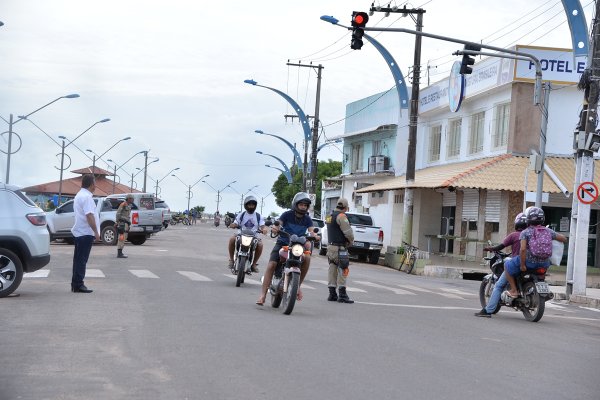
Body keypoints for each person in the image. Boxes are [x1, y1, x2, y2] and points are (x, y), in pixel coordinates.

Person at [475, 207, 567, 317]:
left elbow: (522, 250)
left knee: (506, 268)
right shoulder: (548, 231)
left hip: (529, 262)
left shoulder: (525, 232)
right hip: (544, 263)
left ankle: (511, 292)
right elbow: (563, 239)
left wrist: (523, 264)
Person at [256, 192, 320, 306]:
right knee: (271, 265)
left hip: (298, 246)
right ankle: (263, 295)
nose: (303, 207)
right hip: (283, 243)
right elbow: (279, 223)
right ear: (295, 204)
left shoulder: (307, 219)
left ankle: (297, 286)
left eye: (305, 205)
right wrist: (276, 227)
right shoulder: (286, 215)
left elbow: (311, 230)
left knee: (308, 258)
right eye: (301, 205)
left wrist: (315, 236)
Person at [70, 174, 100, 293]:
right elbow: (89, 215)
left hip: (80, 232)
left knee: (78, 260)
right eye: (95, 183)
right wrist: (96, 232)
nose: (96, 186)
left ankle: (75, 284)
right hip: (85, 232)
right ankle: (78, 284)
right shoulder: (87, 197)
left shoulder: (79, 195)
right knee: (82, 260)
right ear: (91, 184)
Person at [325, 198, 355, 304]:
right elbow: (348, 233)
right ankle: (342, 295)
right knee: (343, 269)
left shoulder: (329, 216)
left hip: (330, 248)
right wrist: (351, 241)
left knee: (332, 269)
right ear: (346, 207)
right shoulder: (341, 216)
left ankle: (332, 294)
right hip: (340, 248)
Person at [227, 195, 266, 273]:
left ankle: (254, 264)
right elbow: (236, 222)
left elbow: (262, 225)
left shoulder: (258, 216)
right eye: (249, 204)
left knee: (260, 245)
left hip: (254, 236)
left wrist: (264, 229)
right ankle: (231, 260)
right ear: (245, 205)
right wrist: (233, 225)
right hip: (241, 234)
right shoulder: (241, 214)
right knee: (232, 239)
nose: (251, 206)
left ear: (255, 206)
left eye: (253, 204)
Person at [115, 194, 133, 259]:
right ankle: (119, 253)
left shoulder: (129, 206)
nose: (132, 200)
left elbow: (127, 215)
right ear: (128, 199)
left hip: (126, 224)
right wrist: (117, 222)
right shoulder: (123, 204)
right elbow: (118, 214)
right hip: (122, 223)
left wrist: (129, 223)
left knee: (124, 237)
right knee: (121, 238)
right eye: (131, 199)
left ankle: (121, 251)